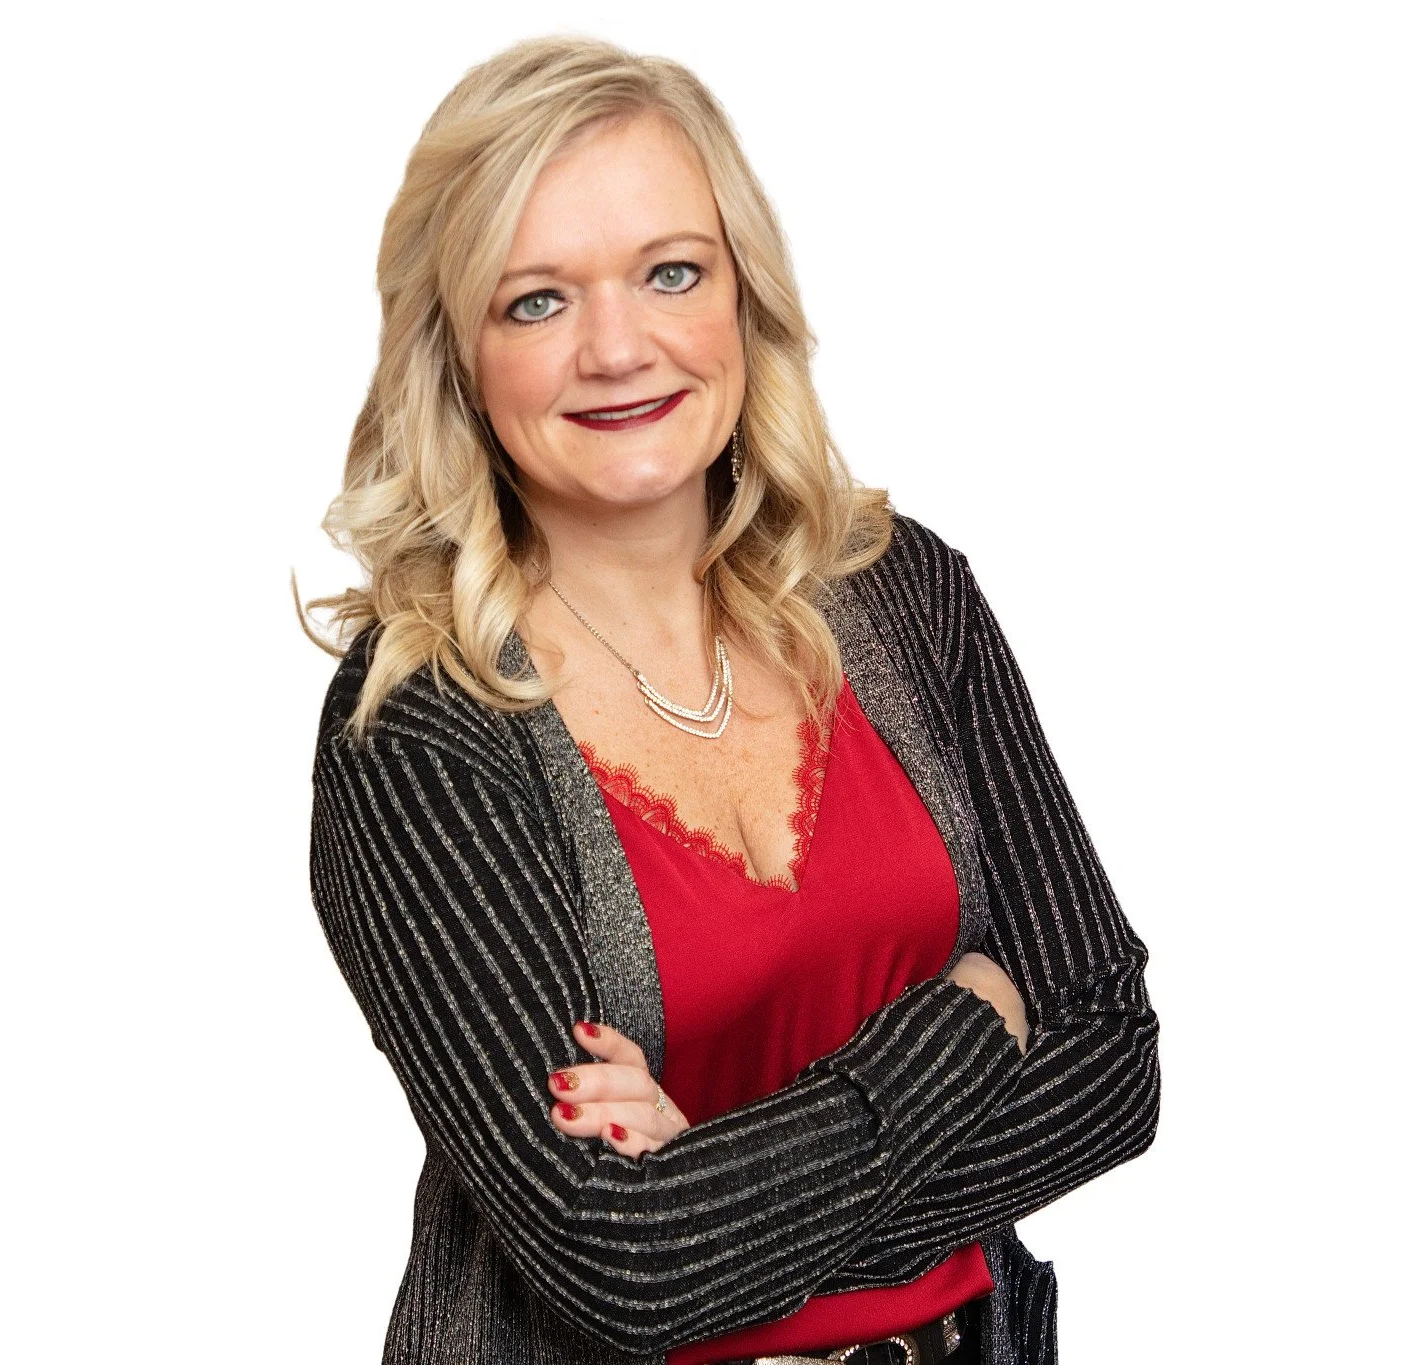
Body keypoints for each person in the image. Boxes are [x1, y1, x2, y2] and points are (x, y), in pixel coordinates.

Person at [298, 35, 1159, 1365]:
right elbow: (627, 1269)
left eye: (670, 272)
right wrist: (968, 1020)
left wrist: (719, 1174)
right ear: (455, 354)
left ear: (740, 297)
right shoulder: (422, 729)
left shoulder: (903, 597)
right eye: (536, 301)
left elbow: (1110, 1061)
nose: (617, 347)